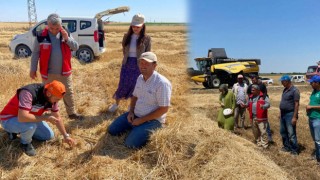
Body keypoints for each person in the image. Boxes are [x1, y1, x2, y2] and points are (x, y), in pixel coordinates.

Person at [108, 52, 171, 148]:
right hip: (136, 115)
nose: (143, 66)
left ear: (154, 65)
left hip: (153, 120)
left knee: (130, 145)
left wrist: (142, 120)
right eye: (141, 63)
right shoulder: (140, 78)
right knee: (111, 130)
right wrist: (131, 112)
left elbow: (163, 109)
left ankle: (148, 129)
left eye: (147, 63)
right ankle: (136, 128)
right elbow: (135, 96)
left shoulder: (162, 83)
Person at [0, 80, 76, 156]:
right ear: (49, 93)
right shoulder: (28, 93)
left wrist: (66, 136)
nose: (57, 102)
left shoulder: (52, 98)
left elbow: (57, 117)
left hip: (30, 117)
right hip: (9, 119)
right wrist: (45, 118)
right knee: (30, 127)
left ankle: (23, 131)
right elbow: (22, 117)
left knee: (47, 135)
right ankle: (25, 143)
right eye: (57, 99)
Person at [30, 13, 82, 120]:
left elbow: (76, 47)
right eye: (51, 28)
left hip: (64, 71)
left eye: (57, 28)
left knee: (68, 91)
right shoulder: (41, 36)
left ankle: (71, 113)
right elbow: (35, 53)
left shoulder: (65, 33)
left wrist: (67, 39)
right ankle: (46, 113)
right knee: (46, 93)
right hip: (47, 72)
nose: (54, 30)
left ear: (61, 26)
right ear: (47, 25)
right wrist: (33, 69)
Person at [108, 13, 152, 112]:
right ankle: (116, 104)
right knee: (122, 84)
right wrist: (127, 60)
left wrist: (145, 67)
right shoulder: (126, 36)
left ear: (143, 26)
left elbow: (148, 53)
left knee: (135, 86)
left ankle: (131, 106)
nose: (135, 28)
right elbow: (124, 50)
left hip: (139, 65)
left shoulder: (147, 38)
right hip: (127, 64)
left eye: (138, 26)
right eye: (133, 26)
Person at [247, 75, 273, 143]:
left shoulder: (262, 85)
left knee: (264, 126)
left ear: (257, 79)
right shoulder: (250, 86)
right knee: (255, 129)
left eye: (254, 79)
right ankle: (258, 141)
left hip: (261, 110)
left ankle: (269, 138)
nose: (253, 81)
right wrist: (249, 104)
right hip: (254, 114)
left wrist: (262, 99)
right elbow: (249, 94)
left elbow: (265, 93)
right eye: (252, 80)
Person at [279, 75, 300, 155]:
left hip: (290, 114)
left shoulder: (295, 91)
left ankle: (294, 150)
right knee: (283, 131)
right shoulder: (285, 90)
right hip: (283, 114)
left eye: (282, 81)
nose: (281, 83)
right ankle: (287, 147)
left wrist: (294, 117)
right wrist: (280, 113)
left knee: (291, 133)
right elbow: (283, 102)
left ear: (287, 81)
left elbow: (296, 104)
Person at [306, 75, 320, 164]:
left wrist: (311, 107)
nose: (310, 84)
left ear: (317, 83)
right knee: (315, 139)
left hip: (318, 119)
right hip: (311, 118)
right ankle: (317, 155)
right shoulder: (314, 92)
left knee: (318, 139)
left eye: (312, 82)